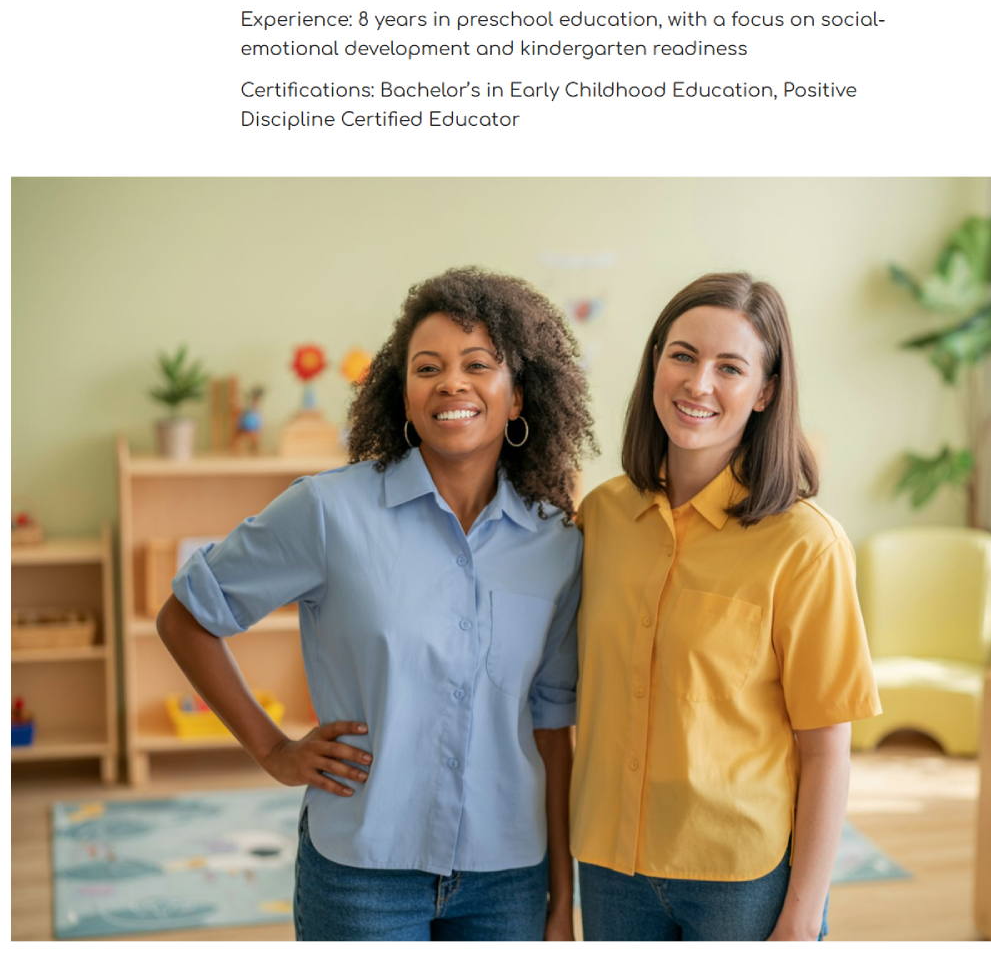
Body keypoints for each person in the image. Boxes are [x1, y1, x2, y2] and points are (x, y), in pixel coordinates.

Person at [157, 267, 596, 940]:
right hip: (362, 874)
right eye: (428, 368)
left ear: (517, 398)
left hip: (508, 875)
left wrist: (562, 900)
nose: (451, 382)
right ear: (404, 396)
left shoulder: (556, 542)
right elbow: (186, 616)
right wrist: (272, 749)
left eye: (478, 365)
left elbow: (550, 724)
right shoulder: (329, 511)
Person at [571, 272, 881, 941]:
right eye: (682, 355)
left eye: (730, 367)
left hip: (740, 880)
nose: (698, 383)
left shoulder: (806, 545)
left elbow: (827, 749)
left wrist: (802, 919)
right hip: (608, 865)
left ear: (765, 391)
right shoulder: (599, 517)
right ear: (656, 361)